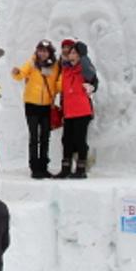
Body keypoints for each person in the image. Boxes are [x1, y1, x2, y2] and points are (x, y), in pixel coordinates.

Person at [10, 40, 60, 178]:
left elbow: (57, 83)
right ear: (37, 52)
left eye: (45, 51)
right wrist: (16, 72)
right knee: (34, 137)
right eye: (40, 51)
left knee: (45, 136)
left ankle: (43, 166)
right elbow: (21, 74)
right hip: (31, 103)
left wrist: (59, 90)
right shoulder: (32, 63)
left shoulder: (54, 66)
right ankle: (34, 167)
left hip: (46, 105)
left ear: (50, 52)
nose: (42, 54)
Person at [57, 41, 97, 179]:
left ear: (81, 56)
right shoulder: (66, 69)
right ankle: (65, 168)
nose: (71, 55)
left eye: (75, 53)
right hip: (69, 111)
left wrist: (84, 56)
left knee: (80, 140)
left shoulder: (84, 69)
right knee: (66, 140)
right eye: (70, 53)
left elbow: (92, 78)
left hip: (82, 110)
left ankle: (81, 169)